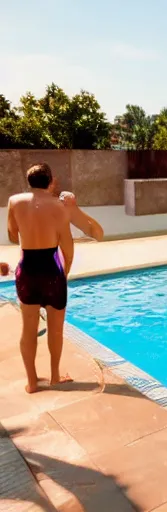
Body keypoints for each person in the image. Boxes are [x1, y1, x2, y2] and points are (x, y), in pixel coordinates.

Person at [7, 163, 74, 393]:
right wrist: (64, 273)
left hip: (27, 269)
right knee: (56, 330)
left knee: (28, 329)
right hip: (52, 270)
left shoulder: (14, 202)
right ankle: (55, 376)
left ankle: (33, 382)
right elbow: (67, 247)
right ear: (51, 181)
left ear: (29, 181)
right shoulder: (60, 206)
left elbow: (11, 233)